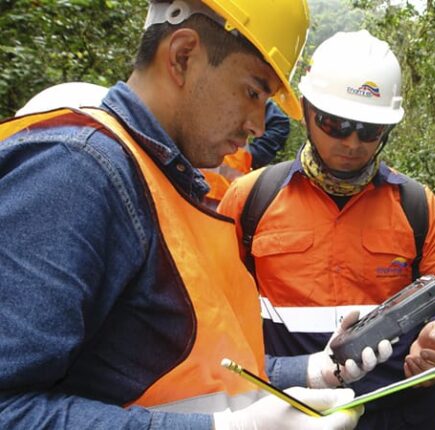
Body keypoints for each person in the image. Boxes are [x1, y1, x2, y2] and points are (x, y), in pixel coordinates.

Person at [0, 1, 368, 428]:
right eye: (253, 91)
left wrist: (313, 370)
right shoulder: (76, 171)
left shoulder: (164, 181)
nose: (258, 125)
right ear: (182, 56)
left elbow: (197, 367)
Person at [218, 30, 435, 429]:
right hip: (294, 413)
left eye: (369, 129)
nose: (353, 142)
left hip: (402, 414)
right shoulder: (250, 199)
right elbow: (212, 317)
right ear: (306, 109)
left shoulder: (416, 205)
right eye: (335, 123)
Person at [203, 100, 290, 208]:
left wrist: (254, 155)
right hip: (187, 184)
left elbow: (279, 123)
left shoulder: (244, 93)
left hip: (228, 196)